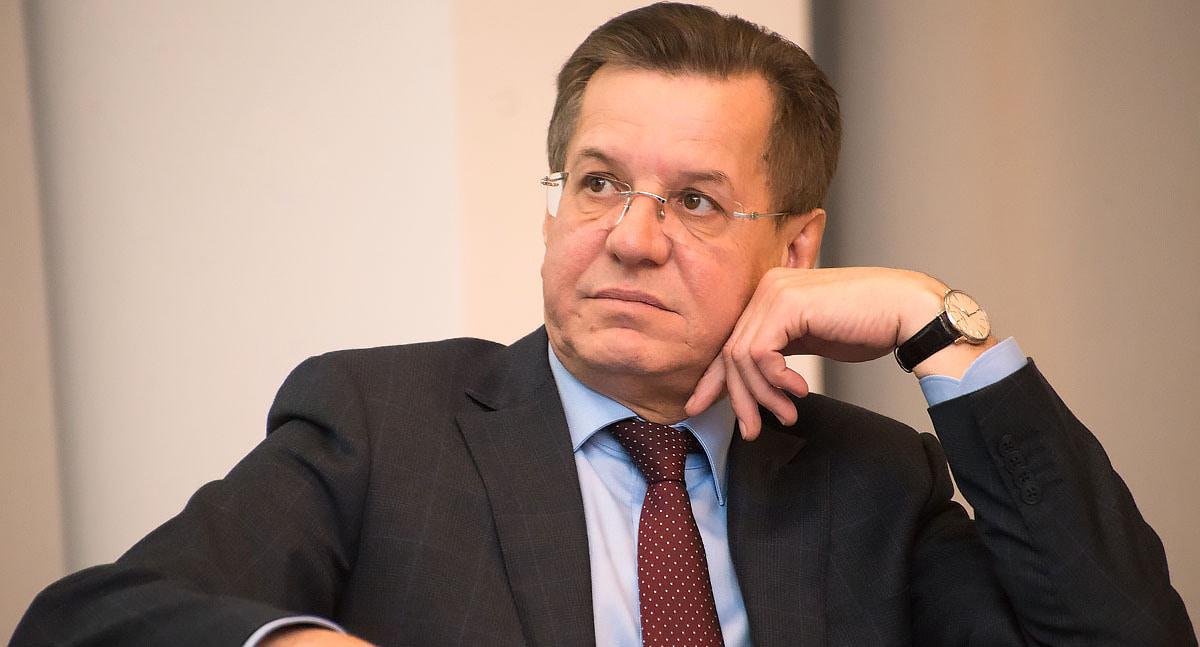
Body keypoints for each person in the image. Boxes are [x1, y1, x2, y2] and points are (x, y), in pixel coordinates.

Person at [14, 4, 1195, 646]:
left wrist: (940, 328)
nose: (630, 238)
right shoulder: (382, 426)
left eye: (695, 201)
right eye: (596, 183)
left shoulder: (874, 484)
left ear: (795, 250)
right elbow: (80, 621)